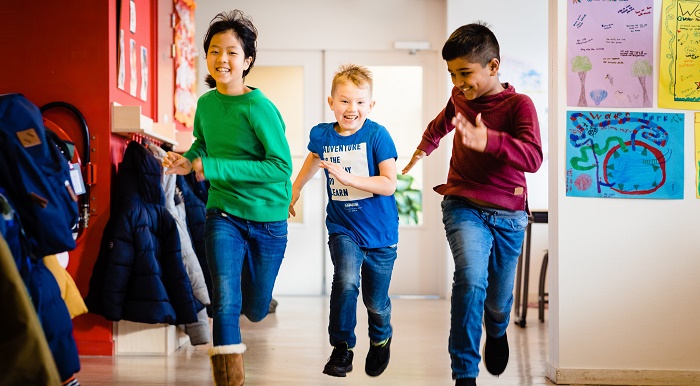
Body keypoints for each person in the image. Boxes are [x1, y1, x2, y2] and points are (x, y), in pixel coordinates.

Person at [401, 23, 543, 386]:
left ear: (493, 67)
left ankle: (496, 330)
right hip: (462, 202)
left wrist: (489, 140)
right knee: (469, 278)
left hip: (509, 214)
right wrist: (424, 147)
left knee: (496, 302)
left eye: (465, 73)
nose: (459, 82)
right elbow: (443, 121)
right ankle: (464, 373)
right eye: (453, 74)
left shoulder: (518, 106)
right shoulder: (459, 96)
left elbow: (532, 157)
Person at [162, 9, 293, 386]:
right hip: (223, 213)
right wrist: (188, 162)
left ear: (247, 61)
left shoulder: (259, 108)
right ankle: (228, 380)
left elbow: (279, 167)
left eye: (232, 52)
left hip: (268, 219)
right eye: (215, 50)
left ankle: (257, 305)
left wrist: (213, 166)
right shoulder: (205, 105)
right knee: (224, 301)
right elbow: (202, 144)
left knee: (253, 308)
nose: (223, 59)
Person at [289, 64, 399, 378]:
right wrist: (295, 190)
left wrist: (348, 177)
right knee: (346, 280)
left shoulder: (377, 135)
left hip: (381, 234)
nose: (352, 108)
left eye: (360, 102)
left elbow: (388, 183)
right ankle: (342, 348)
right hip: (343, 227)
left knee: (375, 302)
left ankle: (381, 337)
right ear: (332, 102)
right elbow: (314, 159)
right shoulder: (322, 134)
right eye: (345, 101)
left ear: (371, 106)